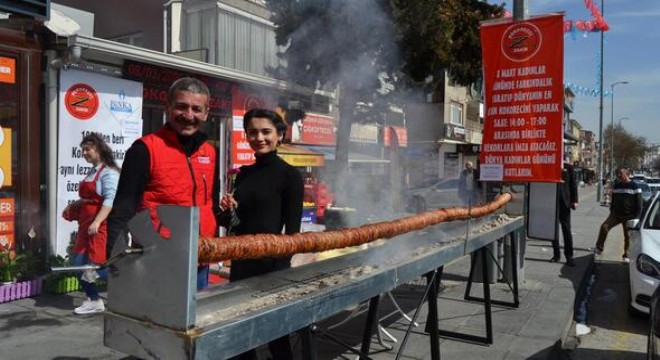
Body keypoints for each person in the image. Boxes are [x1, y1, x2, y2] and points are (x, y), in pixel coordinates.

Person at [106, 77, 220, 290]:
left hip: (199, 260)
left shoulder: (211, 152)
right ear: (167, 108)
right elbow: (123, 208)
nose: (188, 115)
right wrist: (115, 257)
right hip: (159, 260)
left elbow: (211, 204)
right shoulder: (144, 150)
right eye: (181, 107)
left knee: (202, 321)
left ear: (206, 112)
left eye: (196, 109)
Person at [220, 108, 303, 360]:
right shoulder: (243, 174)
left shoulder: (289, 175)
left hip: (271, 268)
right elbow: (232, 224)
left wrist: (281, 270)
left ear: (279, 134)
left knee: (276, 338)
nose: (259, 137)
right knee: (241, 338)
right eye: (253, 132)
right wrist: (226, 210)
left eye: (266, 132)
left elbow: (293, 234)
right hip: (241, 264)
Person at [62, 133, 120, 314]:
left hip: (98, 228)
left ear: (98, 150)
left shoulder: (109, 172)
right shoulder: (93, 171)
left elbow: (109, 200)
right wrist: (75, 204)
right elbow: (89, 198)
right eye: (83, 150)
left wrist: (97, 221)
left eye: (87, 149)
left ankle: (124, 282)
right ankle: (94, 300)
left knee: (96, 266)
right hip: (85, 227)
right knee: (79, 262)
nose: (84, 153)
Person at [594, 167, 643, 263]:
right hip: (616, 214)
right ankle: (599, 248)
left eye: (620, 173)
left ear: (627, 173)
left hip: (629, 216)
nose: (618, 175)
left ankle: (626, 254)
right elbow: (613, 200)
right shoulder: (617, 186)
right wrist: (612, 211)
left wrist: (636, 217)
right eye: (617, 174)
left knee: (627, 236)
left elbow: (639, 204)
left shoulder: (635, 186)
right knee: (604, 227)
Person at [551, 161, 578, 267]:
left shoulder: (568, 167)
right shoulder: (551, 164)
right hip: (552, 201)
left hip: (565, 202)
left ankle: (569, 256)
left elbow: (573, 184)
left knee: (566, 229)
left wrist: (574, 200)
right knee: (553, 230)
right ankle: (556, 255)